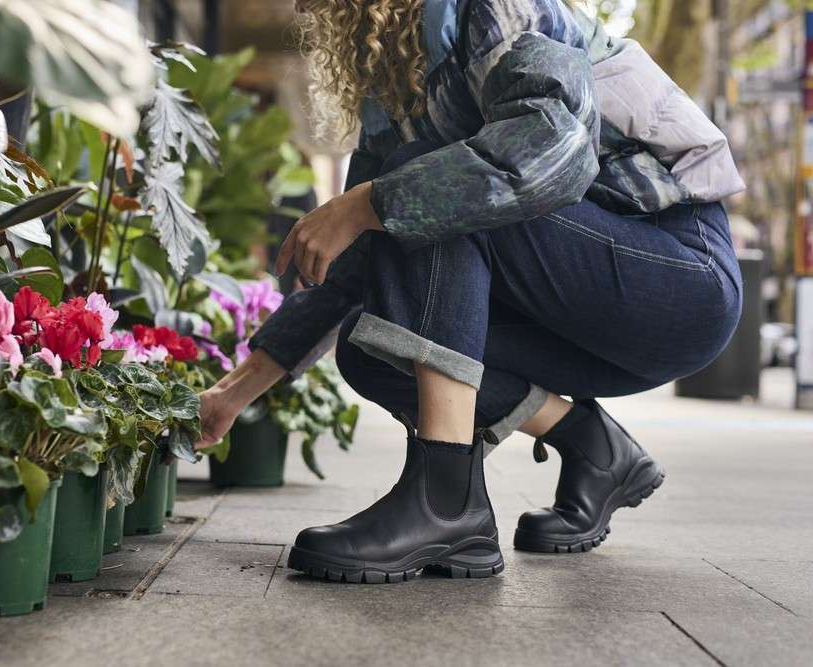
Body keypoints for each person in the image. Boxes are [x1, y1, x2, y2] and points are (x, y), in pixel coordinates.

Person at [192, 0, 745, 583]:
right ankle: (592, 446)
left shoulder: (497, 8)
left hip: (678, 275)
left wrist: (371, 201)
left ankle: (447, 505)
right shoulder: (397, 82)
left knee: (424, 184)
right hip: (582, 310)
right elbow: (351, 261)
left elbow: (555, 145)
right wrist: (231, 393)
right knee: (373, 343)